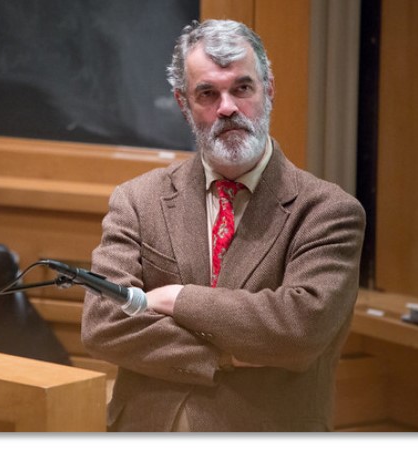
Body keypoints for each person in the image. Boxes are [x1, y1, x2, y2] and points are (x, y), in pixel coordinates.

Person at [80, 20, 366, 432]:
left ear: (268, 91)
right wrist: (221, 357)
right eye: (208, 93)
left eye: (242, 88)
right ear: (184, 103)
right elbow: (103, 322)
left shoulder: (329, 211)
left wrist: (178, 299)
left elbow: (298, 328)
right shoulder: (137, 200)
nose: (227, 107)